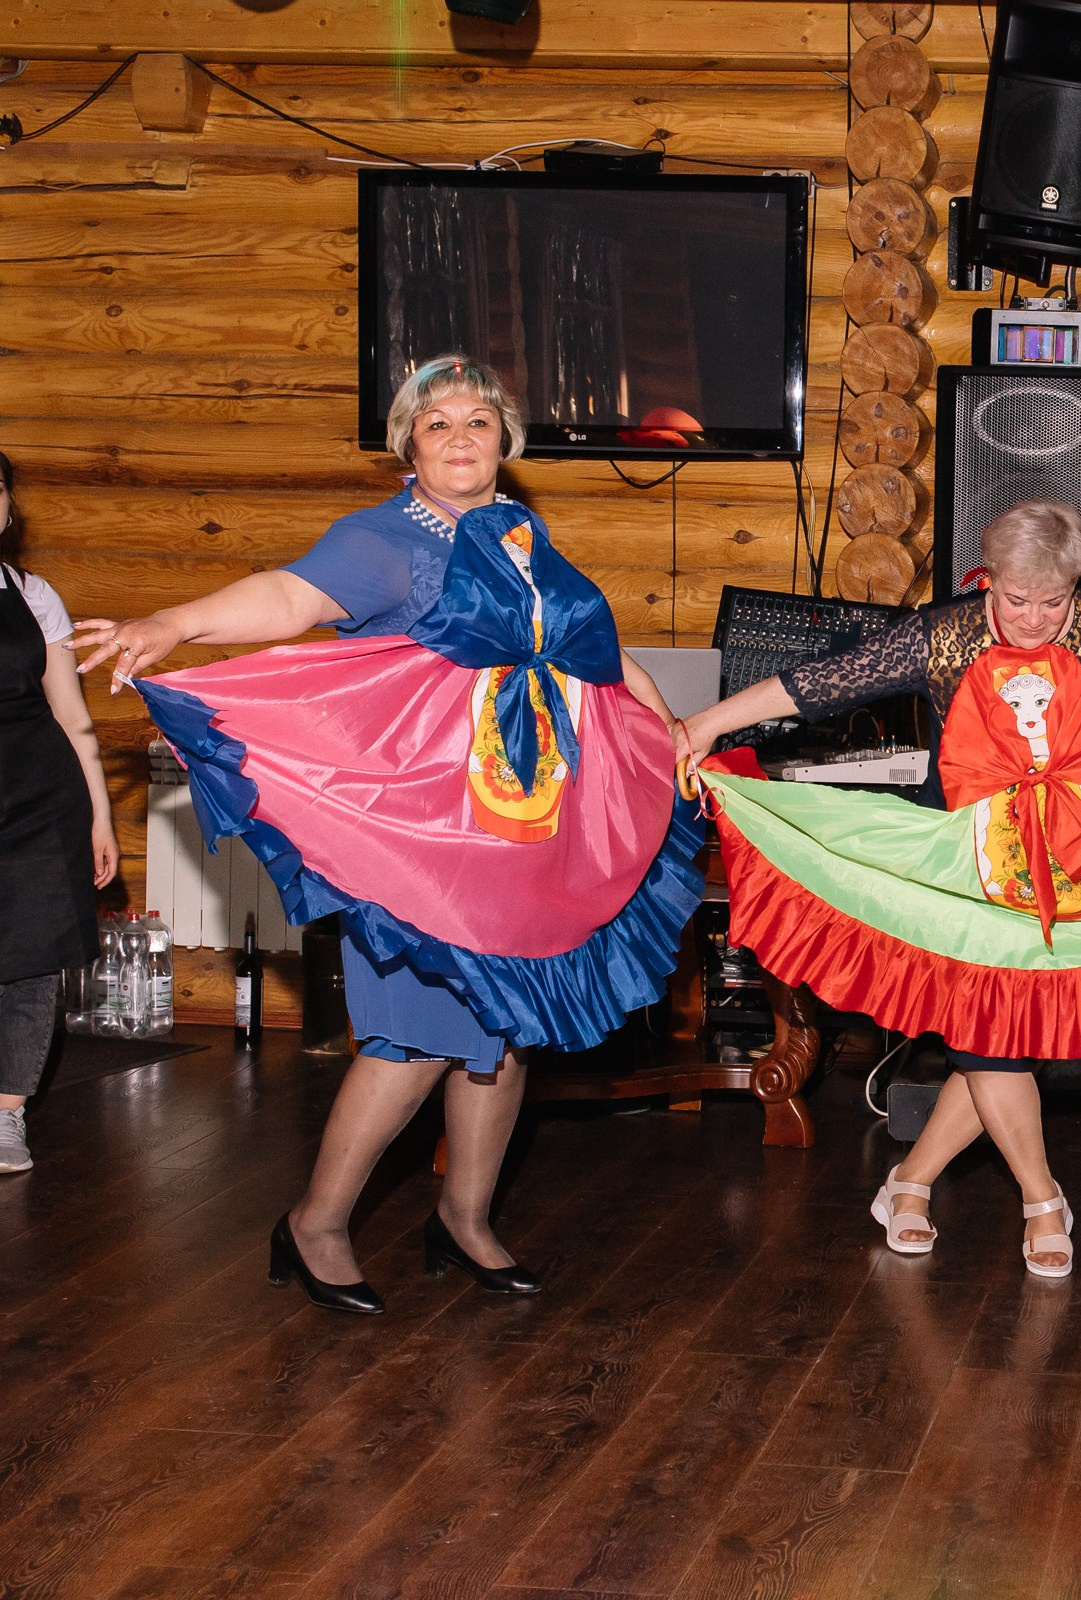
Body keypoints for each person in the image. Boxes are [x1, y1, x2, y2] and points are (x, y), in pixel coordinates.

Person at [75, 355, 698, 1314]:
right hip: (414, 840)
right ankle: (315, 1225)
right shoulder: (382, 540)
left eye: (478, 421)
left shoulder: (523, 537)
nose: (459, 436)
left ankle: (465, 1220)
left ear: (506, 442)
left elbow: (595, 657)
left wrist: (668, 740)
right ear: (409, 442)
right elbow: (288, 599)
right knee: (410, 1043)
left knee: (502, 1036)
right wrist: (177, 620)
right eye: (436, 421)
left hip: (513, 831)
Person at [679, 501, 1081, 1277]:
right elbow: (820, 685)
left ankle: (909, 1183)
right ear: (988, 580)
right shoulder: (945, 633)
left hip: (1072, 870)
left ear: (1077, 585)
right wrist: (702, 728)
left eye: (1053, 601)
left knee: (1007, 1038)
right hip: (962, 865)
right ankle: (1042, 1197)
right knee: (991, 1042)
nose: (1034, 619)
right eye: (1016, 598)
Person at [0, 449, 117, 1173]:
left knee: (32, 964)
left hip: (38, 798)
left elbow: (72, 718)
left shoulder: (33, 594)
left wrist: (101, 815)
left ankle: (6, 1117)